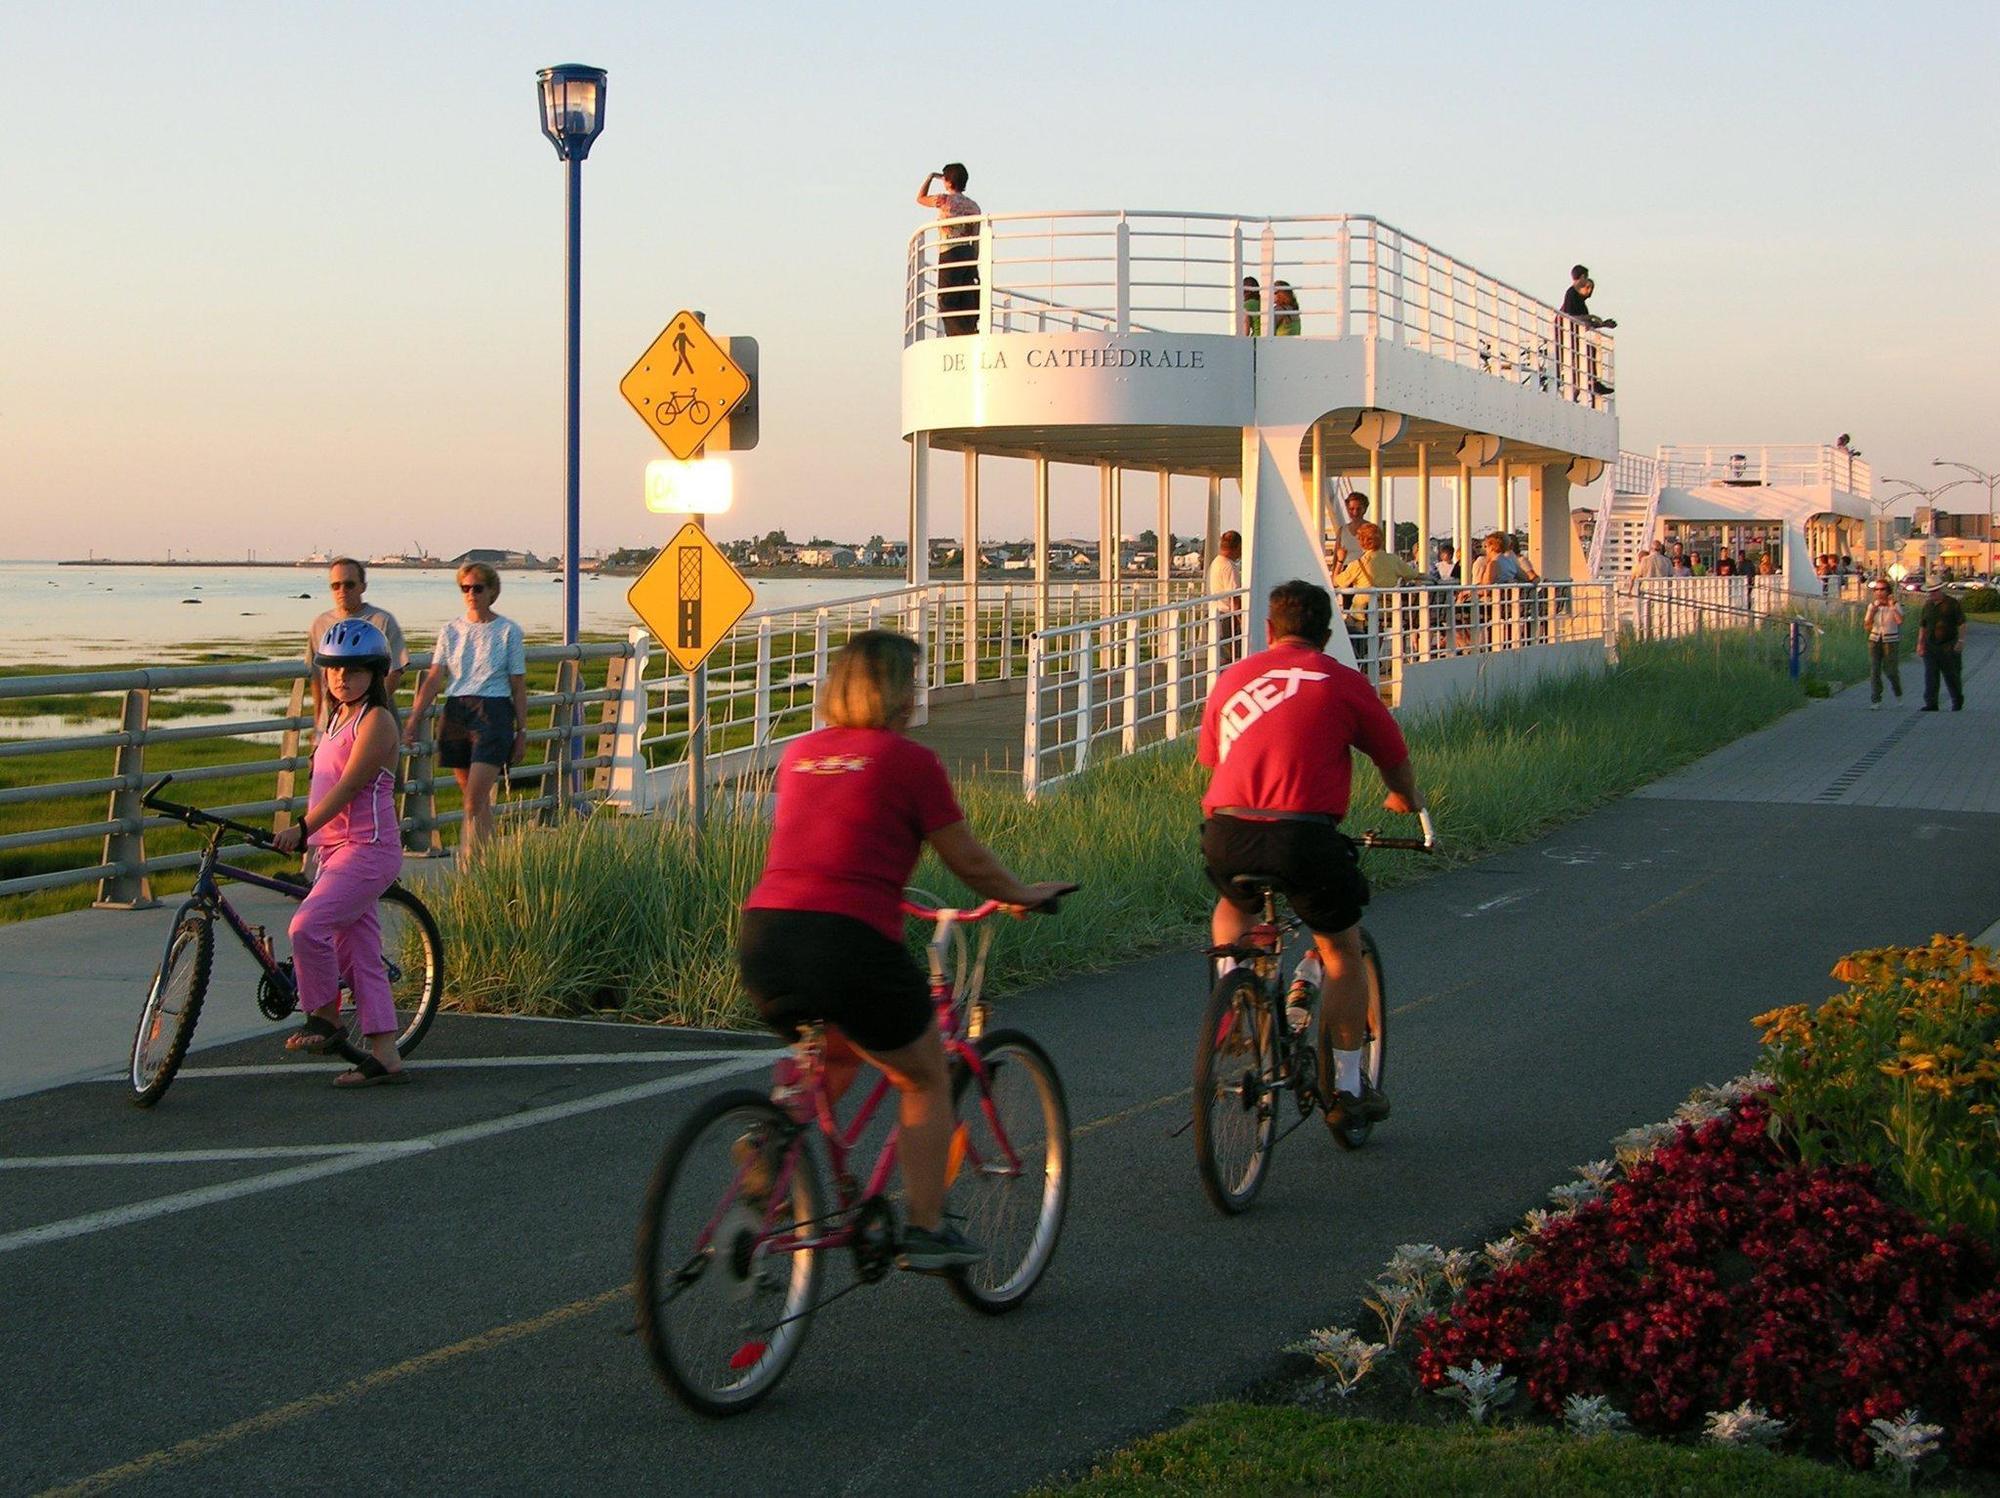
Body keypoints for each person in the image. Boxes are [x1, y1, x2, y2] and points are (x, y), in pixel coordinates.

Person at [739, 631, 1070, 1270]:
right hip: (848, 940)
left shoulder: (800, 755)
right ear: (892, 690)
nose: (919, 692)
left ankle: (771, 1149)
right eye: (913, 680)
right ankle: (924, 1228)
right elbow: (967, 858)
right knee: (920, 1073)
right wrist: (1021, 893)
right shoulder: (909, 762)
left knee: (838, 1049)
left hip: (768, 934)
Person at [1198, 579, 1426, 1126]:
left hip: (1227, 831)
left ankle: (1236, 997)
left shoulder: (1233, 678)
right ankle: (1347, 1090)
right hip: (1305, 837)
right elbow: (1392, 756)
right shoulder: (1342, 682)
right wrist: (1403, 796)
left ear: (1270, 629)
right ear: (1327, 635)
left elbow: (1212, 758)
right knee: (1341, 952)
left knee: (1234, 905)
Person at [270, 620, 408, 1087]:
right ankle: (386, 1055)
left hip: (368, 848)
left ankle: (325, 1016)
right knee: (360, 955)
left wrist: (303, 828)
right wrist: (310, 839)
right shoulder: (334, 719)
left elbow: (349, 787)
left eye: (353, 669)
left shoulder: (377, 721)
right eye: (333, 669)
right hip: (334, 851)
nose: (341, 678)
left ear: (375, 672)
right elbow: (321, 784)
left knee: (306, 926)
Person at [403, 563, 526, 863]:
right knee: (476, 800)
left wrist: (521, 732)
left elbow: (518, 685)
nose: (471, 594)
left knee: (473, 801)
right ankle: (493, 863)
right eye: (465, 588)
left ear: (492, 591)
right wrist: (414, 718)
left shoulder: (508, 631)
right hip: (457, 710)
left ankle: (469, 863)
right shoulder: (450, 631)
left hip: (493, 710)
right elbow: (435, 677)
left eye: (478, 588)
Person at [307, 559, 407, 725]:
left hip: (372, 723)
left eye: (349, 584)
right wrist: (319, 722)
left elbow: (395, 672)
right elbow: (317, 677)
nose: (342, 590)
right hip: (332, 723)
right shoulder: (320, 624)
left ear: (363, 586)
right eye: (336, 586)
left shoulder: (382, 621)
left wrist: (369, 710)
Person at [1333, 522, 1419, 663]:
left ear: (1361, 542)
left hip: (1363, 612)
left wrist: (1340, 561)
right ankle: (1372, 657)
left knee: (1347, 625)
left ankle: (1360, 660)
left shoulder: (1359, 564)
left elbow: (1336, 581)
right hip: (1386, 610)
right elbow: (1413, 574)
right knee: (1378, 625)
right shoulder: (1393, 560)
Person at [916, 163, 982, 337]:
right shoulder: (974, 206)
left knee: (947, 300)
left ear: (948, 181)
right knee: (966, 297)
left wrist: (930, 176)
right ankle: (970, 330)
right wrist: (975, 262)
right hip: (968, 253)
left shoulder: (944, 200)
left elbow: (920, 198)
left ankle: (959, 335)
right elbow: (976, 237)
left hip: (950, 252)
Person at [1557, 264, 1616, 398]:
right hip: (1563, 335)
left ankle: (1588, 385)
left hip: (1572, 336)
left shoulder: (1581, 302)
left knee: (1587, 355)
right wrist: (1592, 317)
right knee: (1581, 357)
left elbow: (1585, 323)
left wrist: (1603, 324)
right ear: (1582, 278)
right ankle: (1590, 384)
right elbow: (1571, 317)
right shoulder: (1571, 293)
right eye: (1588, 287)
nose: (1590, 291)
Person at [1916, 580, 1966, 711]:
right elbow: (1923, 626)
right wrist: (1920, 644)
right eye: (1930, 592)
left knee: (1951, 675)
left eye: (1934, 591)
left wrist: (1960, 641)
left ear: (1940, 590)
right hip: (1930, 646)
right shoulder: (1927, 605)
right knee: (1931, 675)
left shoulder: (1952, 604)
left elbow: (1961, 623)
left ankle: (1957, 701)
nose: (1931, 594)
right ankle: (1931, 703)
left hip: (1949, 645)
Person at [1864, 579, 1904, 709]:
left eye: (1882, 589)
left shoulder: (1895, 605)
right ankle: (1876, 699)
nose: (1879, 592)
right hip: (1875, 639)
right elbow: (1867, 626)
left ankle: (1898, 693)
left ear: (1888, 591)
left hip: (1890, 640)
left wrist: (1892, 607)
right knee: (1874, 670)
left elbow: (1899, 621)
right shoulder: (1872, 606)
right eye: (1877, 590)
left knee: (1890, 671)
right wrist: (1872, 613)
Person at [1208, 530, 1243, 663]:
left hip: (1218, 613)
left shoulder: (1216, 562)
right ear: (1238, 547)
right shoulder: (1229, 566)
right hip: (1229, 617)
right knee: (1235, 655)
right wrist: (1241, 619)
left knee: (1225, 655)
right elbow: (1234, 596)